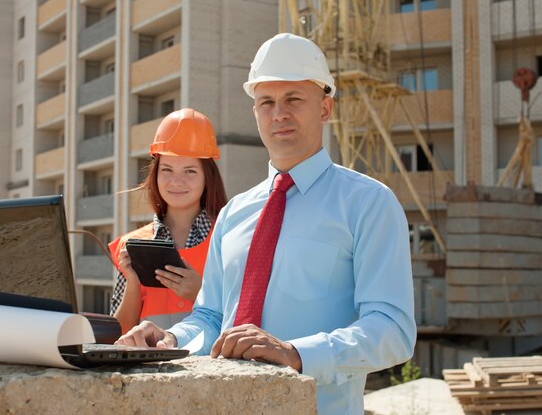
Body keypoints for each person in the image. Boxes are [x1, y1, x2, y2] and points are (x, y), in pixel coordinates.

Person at [116, 33, 416, 415]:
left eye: (294, 99)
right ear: (255, 112)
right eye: (267, 102)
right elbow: (211, 317)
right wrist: (169, 338)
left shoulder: (368, 204)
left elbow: (393, 330)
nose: (279, 114)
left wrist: (295, 353)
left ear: (325, 108)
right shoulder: (235, 213)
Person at [108, 108, 227, 334]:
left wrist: (200, 292)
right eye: (167, 169)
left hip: (208, 366)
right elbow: (118, 334)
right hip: (149, 367)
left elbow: (247, 318)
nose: (176, 181)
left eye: (190, 171)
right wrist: (133, 283)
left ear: (207, 178)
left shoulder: (228, 237)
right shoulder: (132, 244)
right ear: (156, 175)